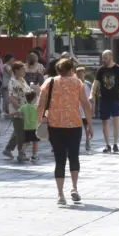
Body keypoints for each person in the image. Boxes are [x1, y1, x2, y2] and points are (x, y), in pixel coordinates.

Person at [38, 58, 93, 205]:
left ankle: (60, 194)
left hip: (55, 125)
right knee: (74, 156)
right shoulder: (77, 83)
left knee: (59, 159)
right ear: (71, 70)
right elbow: (86, 105)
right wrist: (90, 125)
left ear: (58, 70)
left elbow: (40, 105)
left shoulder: (49, 83)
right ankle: (74, 188)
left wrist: (38, 122)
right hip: (74, 124)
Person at [92, 50, 119, 153]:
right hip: (103, 99)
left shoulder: (118, 69)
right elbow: (95, 84)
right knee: (105, 122)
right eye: (103, 58)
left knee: (116, 122)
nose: (103, 60)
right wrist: (92, 94)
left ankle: (116, 144)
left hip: (115, 99)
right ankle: (107, 145)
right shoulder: (101, 70)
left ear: (111, 57)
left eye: (105, 58)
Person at [2, 61, 29, 162]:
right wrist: (20, 110)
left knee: (18, 131)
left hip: (25, 109)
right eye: (22, 69)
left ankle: (8, 148)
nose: (24, 71)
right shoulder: (13, 81)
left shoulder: (22, 79)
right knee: (21, 132)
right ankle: (21, 153)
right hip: (18, 110)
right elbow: (12, 98)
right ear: (16, 70)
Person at [19, 89, 40, 161]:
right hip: (34, 127)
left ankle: (22, 150)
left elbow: (19, 113)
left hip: (27, 127)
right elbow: (40, 115)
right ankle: (34, 156)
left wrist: (21, 117)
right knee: (35, 142)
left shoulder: (24, 106)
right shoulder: (36, 107)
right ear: (34, 98)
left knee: (27, 142)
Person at [75, 66, 93, 151]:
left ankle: (87, 141)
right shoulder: (74, 83)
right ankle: (76, 143)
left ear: (84, 74)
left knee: (86, 126)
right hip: (76, 109)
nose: (80, 75)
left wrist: (92, 107)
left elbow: (92, 97)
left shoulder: (88, 84)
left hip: (86, 109)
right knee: (77, 128)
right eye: (78, 74)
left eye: (81, 74)